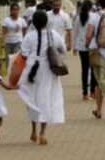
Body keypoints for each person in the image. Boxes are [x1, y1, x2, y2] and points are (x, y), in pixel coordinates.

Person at [18, 10, 65, 145]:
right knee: (46, 99)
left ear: (33, 22)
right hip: (48, 71)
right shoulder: (54, 34)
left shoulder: (29, 36)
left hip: (32, 69)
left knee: (32, 100)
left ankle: (33, 130)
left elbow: (23, 54)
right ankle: (43, 132)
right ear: (47, 21)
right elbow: (62, 49)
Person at [72, 0, 97, 101]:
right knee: (94, 70)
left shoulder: (78, 17)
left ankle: (84, 94)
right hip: (92, 46)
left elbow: (75, 33)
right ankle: (92, 92)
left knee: (84, 69)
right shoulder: (94, 17)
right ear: (91, 7)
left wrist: (74, 47)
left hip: (81, 46)